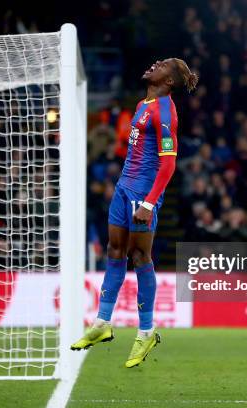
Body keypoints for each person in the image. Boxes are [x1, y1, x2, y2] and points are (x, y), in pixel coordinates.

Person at [71, 58, 198, 368]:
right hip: (124, 187)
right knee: (115, 250)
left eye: (164, 65)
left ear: (168, 81)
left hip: (142, 193)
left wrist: (149, 203)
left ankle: (146, 330)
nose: (155, 64)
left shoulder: (165, 112)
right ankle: (102, 323)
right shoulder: (144, 103)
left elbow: (168, 164)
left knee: (140, 257)